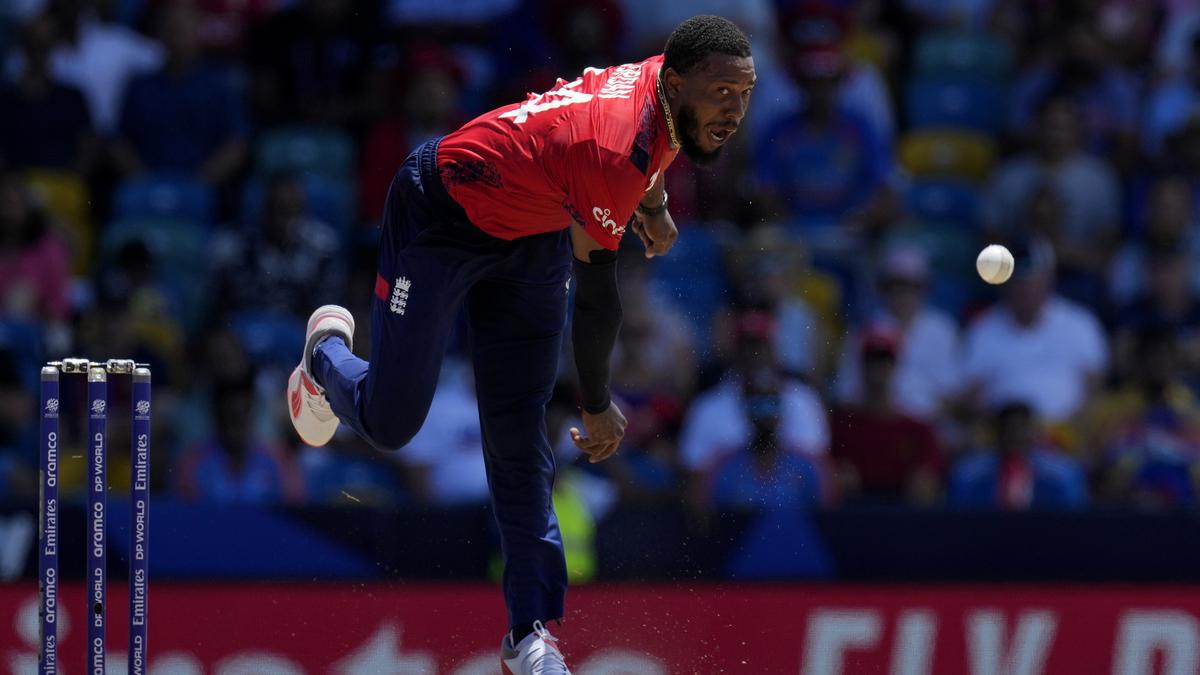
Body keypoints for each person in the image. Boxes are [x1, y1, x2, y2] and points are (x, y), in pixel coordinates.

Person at [285, 16, 755, 673]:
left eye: (746, 92)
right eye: (723, 93)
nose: (735, 110)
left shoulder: (671, 79)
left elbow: (656, 142)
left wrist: (653, 204)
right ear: (678, 82)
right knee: (392, 421)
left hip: (534, 233)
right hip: (440, 217)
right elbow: (597, 298)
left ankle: (528, 632)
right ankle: (325, 356)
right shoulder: (617, 147)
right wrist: (596, 403)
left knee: (518, 432)